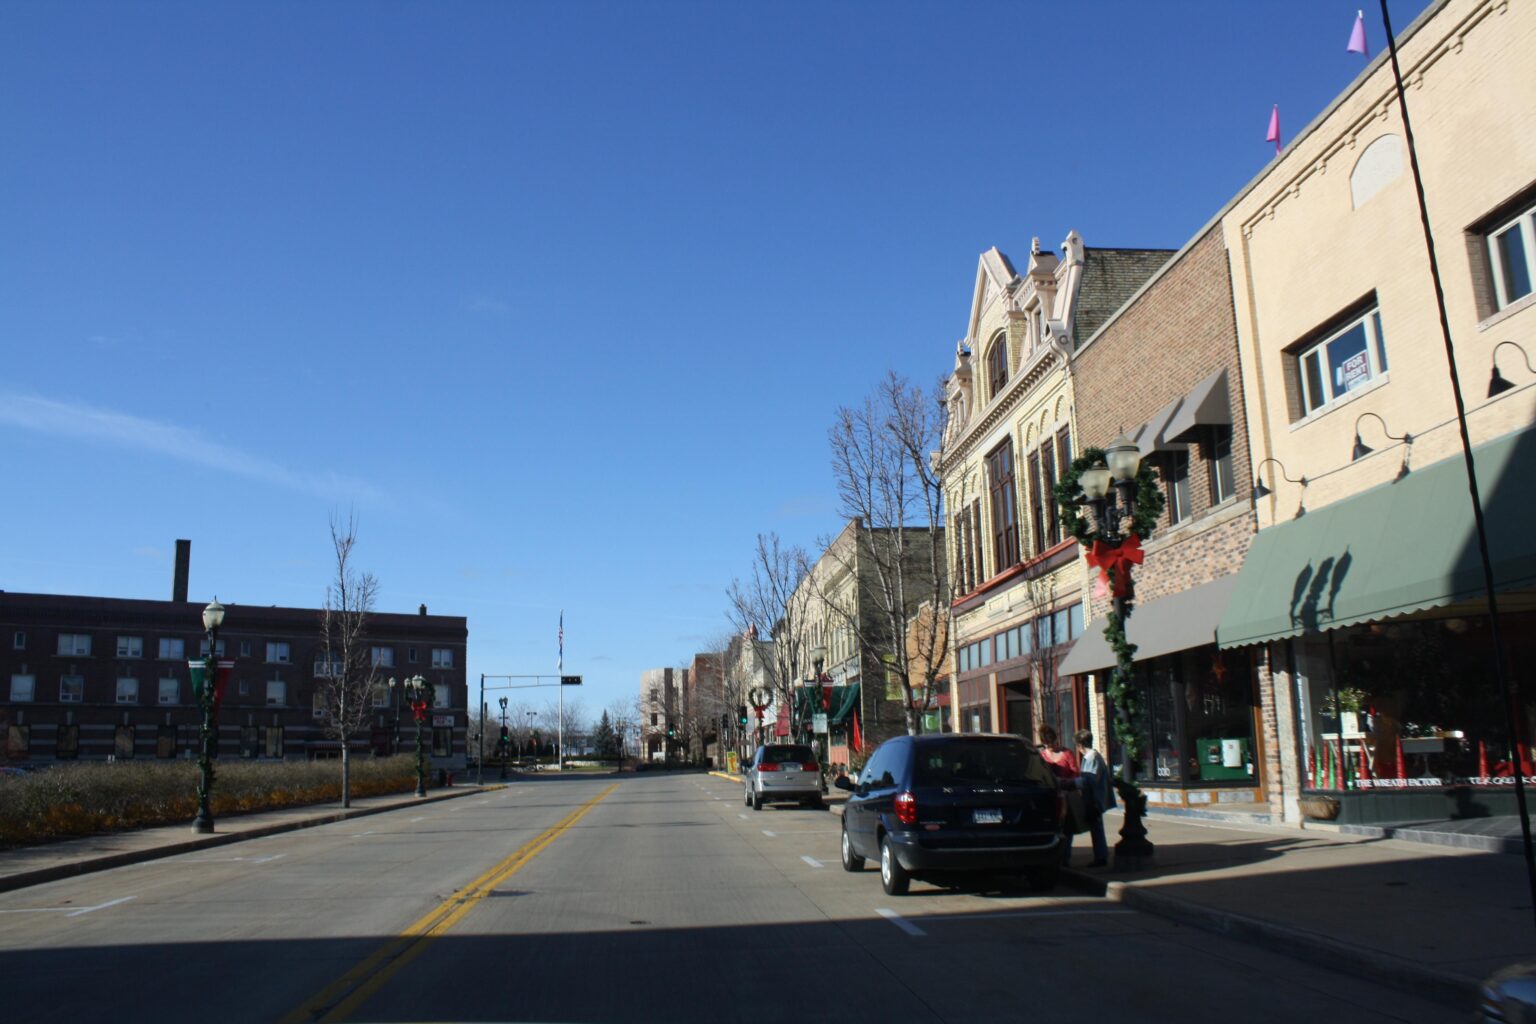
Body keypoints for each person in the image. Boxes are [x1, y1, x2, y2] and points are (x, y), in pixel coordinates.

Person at [1072, 728, 1114, 868]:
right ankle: (1100, 856)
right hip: (1093, 798)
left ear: (1080, 745)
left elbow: (1089, 780)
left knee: (1096, 828)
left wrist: (1071, 783)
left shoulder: (1092, 758)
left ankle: (1101, 857)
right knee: (1095, 827)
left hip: (1095, 799)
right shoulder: (1092, 757)